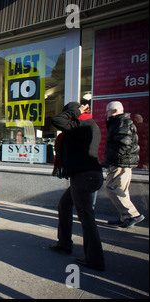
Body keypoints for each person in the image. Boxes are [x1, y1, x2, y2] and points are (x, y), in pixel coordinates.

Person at [49, 102, 105, 271]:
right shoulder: (85, 124)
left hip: (84, 176)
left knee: (86, 217)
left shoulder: (83, 124)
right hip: (87, 175)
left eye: (69, 113)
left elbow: (57, 120)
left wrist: (75, 111)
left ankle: (95, 259)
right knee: (65, 204)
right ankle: (64, 244)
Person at [102, 101, 144, 228]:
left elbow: (123, 145)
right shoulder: (122, 122)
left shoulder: (120, 123)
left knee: (111, 187)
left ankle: (133, 215)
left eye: (107, 111)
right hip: (123, 162)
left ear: (114, 111)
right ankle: (125, 217)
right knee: (121, 190)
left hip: (120, 163)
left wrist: (110, 162)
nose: (105, 114)